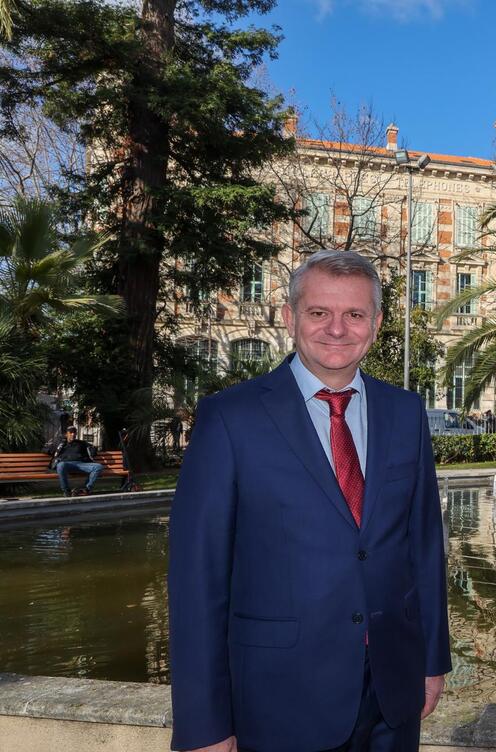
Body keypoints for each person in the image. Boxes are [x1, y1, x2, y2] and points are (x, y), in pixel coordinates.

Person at [168, 250, 451, 752]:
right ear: (290, 317)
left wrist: (432, 661)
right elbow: (197, 580)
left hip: (393, 691)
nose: (337, 329)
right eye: (319, 312)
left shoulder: (406, 412)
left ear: (377, 323)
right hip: (279, 699)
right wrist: (203, 723)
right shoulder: (229, 418)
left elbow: (424, 548)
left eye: (355, 314)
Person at [49, 426, 104, 497]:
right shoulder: (61, 444)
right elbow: (48, 449)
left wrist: (92, 451)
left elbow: (93, 448)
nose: (73, 434)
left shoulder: (81, 443)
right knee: (60, 465)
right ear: (66, 434)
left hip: (81, 464)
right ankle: (66, 490)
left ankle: (86, 489)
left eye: (74, 432)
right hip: (66, 464)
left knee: (98, 467)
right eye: (71, 432)